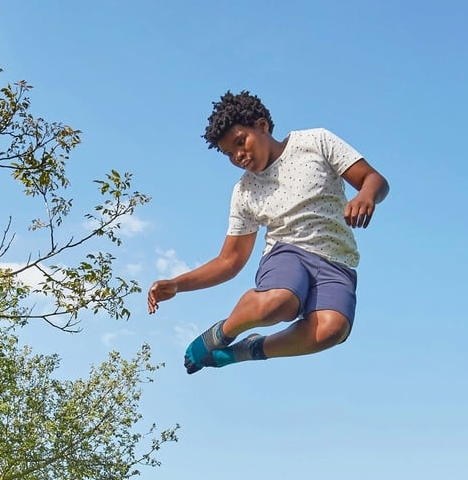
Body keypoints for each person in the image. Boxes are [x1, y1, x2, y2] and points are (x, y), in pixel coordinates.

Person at [148, 90, 388, 372]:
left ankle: (246, 350)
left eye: (241, 142)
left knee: (332, 330)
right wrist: (177, 284)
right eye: (229, 154)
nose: (238, 156)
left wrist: (366, 195)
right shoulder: (244, 191)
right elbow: (229, 260)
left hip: (337, 261)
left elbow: (373, 178)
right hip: (288, 253)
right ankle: (221, 333)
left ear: (262, 126)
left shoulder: (315, 141)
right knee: (280, 302)